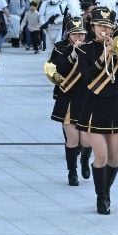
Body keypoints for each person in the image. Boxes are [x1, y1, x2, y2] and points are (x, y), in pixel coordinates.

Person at [77, 6, 118, 215]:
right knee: (100, 156)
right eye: (100, 26)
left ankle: (106, 190)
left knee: (114, 158)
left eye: (108, 27)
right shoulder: (84, 49)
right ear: (93, 27)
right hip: (93, 104)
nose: (104, 30)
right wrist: (104, 56)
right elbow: (87, 77)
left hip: (114, 104)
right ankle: (101, 197)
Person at [47, 18, 92, 186]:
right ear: (68, 35)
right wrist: (73, 54)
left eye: (81, 33)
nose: (78, 37)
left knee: (86, 141)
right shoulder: (60, 48)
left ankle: (85, 160)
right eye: (75, 34)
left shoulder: (91, 48)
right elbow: (57, 71)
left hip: (87, 97)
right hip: (68, 97)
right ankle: (72, 172)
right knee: (72, 139)